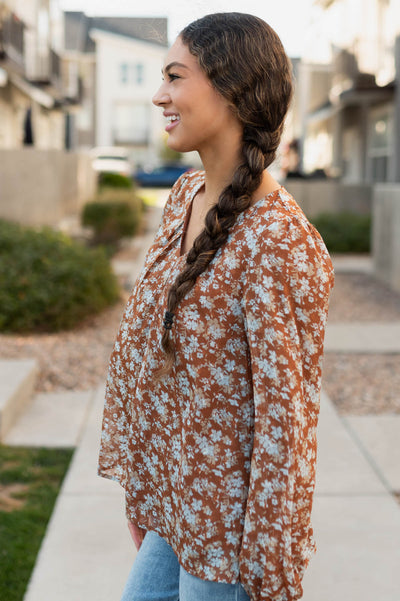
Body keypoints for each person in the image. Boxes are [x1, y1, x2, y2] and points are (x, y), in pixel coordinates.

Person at [98, 12, 334, 601]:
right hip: (178, 508)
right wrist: (150, 494)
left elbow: (286, 425)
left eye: (175, 77)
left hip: (230, 541)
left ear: (231, 88)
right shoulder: (184, 196)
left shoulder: (278, 240)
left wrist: (267, 575)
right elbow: (165, 365)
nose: (159, 96)